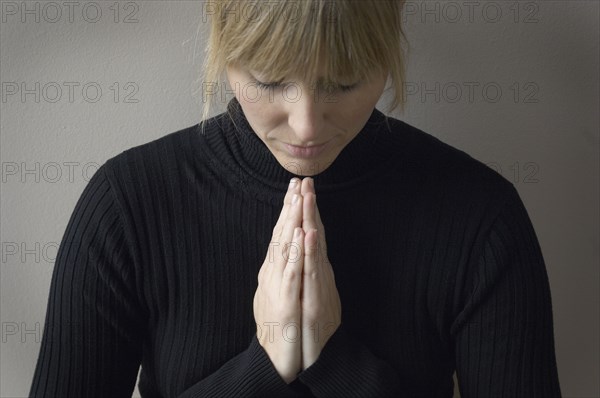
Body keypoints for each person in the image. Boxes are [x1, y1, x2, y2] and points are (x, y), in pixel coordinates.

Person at [29, 0, 562, 397]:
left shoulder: (480, 218)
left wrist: (333, 362)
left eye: (344, 82)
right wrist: (263, 368)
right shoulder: (127, 206)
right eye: (268, 79)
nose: (306, 126)